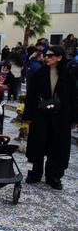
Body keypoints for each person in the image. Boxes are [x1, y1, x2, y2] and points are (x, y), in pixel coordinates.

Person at [23, 46, 78, 190]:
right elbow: (31, 96)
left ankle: (53, 177)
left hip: (61, 118)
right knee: (37, 145)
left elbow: (74, 98)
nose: (47, 58)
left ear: (59, 57)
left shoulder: (68, 76)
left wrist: (74, 119)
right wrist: (28, 116)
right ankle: (34, 173)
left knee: (58, 147)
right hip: (41, 116)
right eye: (46, 55)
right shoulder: (39, 74)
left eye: (51, 55)